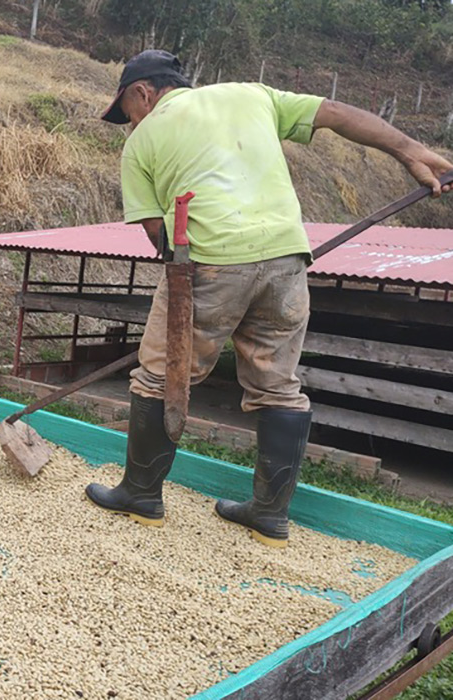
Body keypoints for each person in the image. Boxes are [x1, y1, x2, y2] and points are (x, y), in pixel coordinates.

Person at [84, 49, 453, 547]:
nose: (127, 122)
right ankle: (268, 515)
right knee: (279, 387)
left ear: (142, 93)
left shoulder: (142, 140)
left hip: (208, 263)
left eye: (125, 110)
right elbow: (337, 115)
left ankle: (141, 495)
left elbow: (159, 234)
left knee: (159, 377)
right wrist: (410, 151)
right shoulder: (252, 95)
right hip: (286, 262)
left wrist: (201, 293)